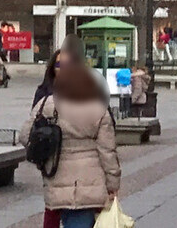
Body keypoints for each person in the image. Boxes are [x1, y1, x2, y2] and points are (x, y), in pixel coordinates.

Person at [20, 58, 120, 228]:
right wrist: (113, 184)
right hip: (90, 181)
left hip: (57, 175)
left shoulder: (46, 104)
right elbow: (107, 151)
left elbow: (24, 136)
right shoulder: (98, 107)